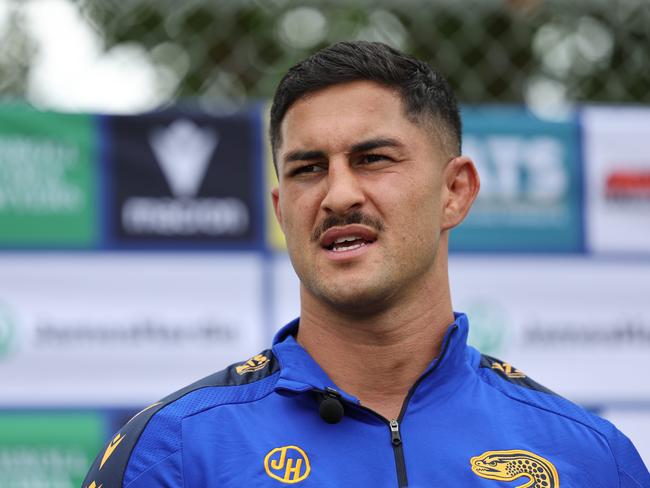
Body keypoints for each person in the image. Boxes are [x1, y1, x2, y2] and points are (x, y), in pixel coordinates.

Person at [83, 41, 649, 487]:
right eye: (308, 169)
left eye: (372, 159)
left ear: (455, 191)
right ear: (282, 211)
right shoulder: (172, 453)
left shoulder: (588, 457)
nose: (337, 195)